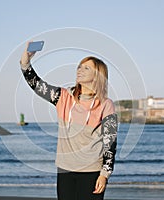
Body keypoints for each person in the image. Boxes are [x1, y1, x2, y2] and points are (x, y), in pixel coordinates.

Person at [20, 42, 118, 200]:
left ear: (98, 75)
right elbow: (37, 85)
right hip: (65, 170)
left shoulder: (106, 104)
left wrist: (104, 174)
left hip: (91, 171)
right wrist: (25, 63)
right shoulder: (63, 97)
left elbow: (110, 143)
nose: (80, 69)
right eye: (79, 66)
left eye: (86, 68)